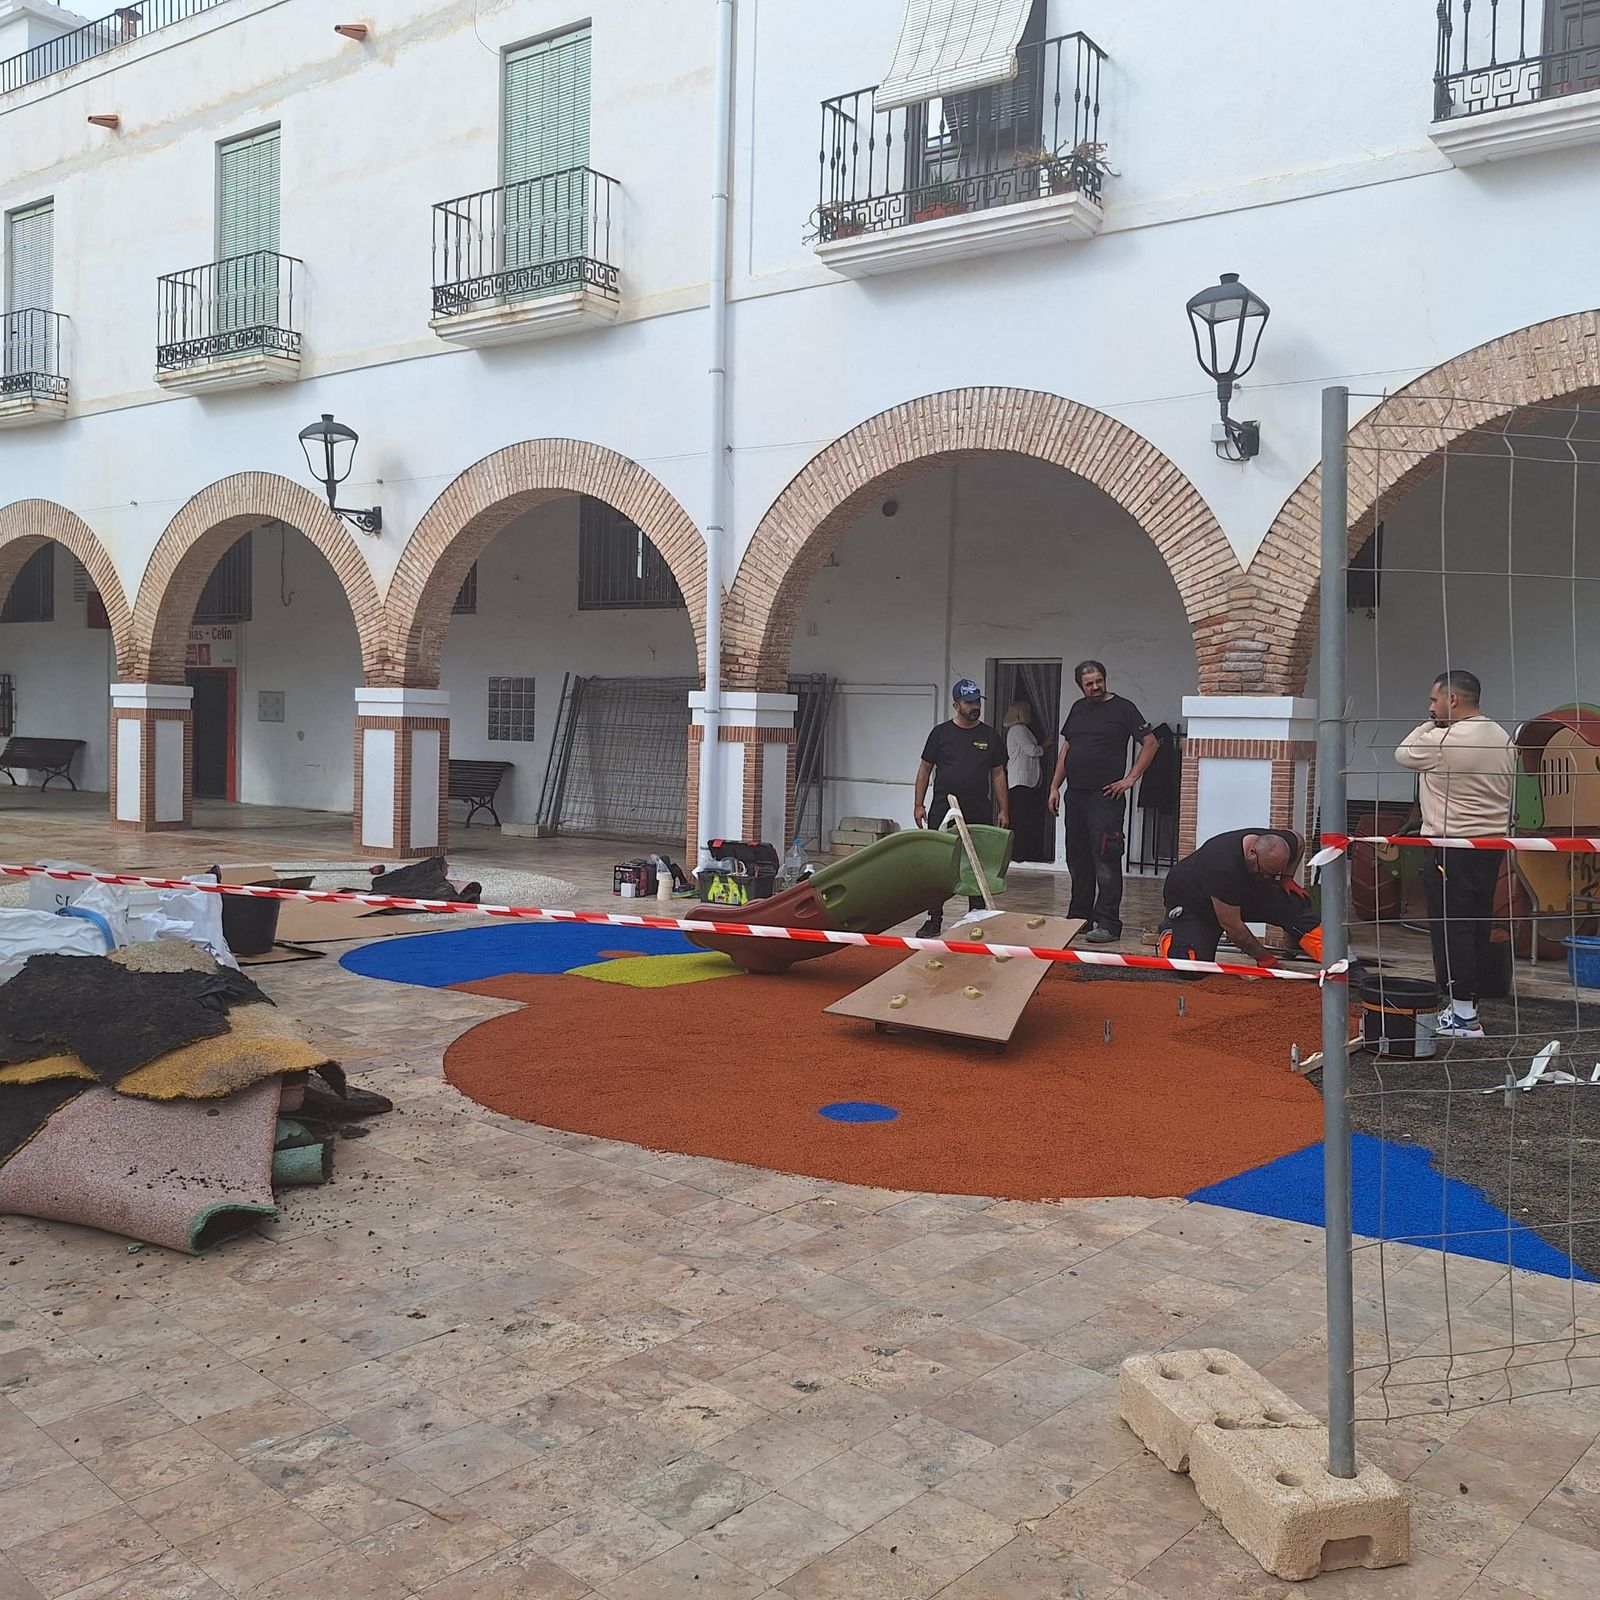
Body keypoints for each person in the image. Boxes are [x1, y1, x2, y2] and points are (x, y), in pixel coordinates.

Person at [1394, 669, 1515, 1040]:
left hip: (1451, 846)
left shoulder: (1444, 740)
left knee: (1451, 927)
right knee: (1476, 923)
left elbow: (1403, 753)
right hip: (1490, 845)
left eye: (1434, 700)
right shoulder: (1501, 736)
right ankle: (1468, 1005)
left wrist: (1429, 723)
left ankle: (1464, 1015)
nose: (1430, 707)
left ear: (1453, 700)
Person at [1047, 661, 1158, 943]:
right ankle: (1079, 918)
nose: (1095, 687)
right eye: (1089, 683)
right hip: (1076, 795)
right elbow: (1067, 748)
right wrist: (1055, 786)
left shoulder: (1123, 708)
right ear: (1080, 686)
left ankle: (1108, 922)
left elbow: (1151, 743)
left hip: (1106, 797)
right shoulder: (1078, 709)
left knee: (1106, 858)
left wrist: (1130, 779)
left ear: (1105, 679)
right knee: (1078, 858)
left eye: (1099, 681)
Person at [914, 679, 1009, 936]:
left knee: (977, 862)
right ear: (956, 705)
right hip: (943, 810)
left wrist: (1003, 809)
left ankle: (976, 915)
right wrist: (919, 804)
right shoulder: (940, 734)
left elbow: (998, 774)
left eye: (977, 701)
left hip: (978, 810)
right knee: (939, 863)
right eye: (969, 702)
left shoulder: (990, 736)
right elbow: (924, 769)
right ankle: (934, 918)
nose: (975, 706)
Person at [1158, 828, 1323, 975]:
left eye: (1273, 874)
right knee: (1192, 968)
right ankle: (1169, 933)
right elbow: (1233, 928)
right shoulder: (1222, 866)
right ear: (1252, 852)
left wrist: (1287, 878)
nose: (1268, 877)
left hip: (1239, 892)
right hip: (1194, 904)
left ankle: (1329, 954)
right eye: (1265, 872)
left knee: (1292, 902)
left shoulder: (1278, 845)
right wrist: (1265, 959)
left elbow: (1299, 842)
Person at [1003, 700, 1047, 862]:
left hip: (1025, 781)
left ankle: (1024, 852)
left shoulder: (1020, 729)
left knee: (1024, 817)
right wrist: (1045, 746)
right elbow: (1032, 750)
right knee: (1021, 819)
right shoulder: (1018, 729)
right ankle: (1019, 854)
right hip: (1020, 781)